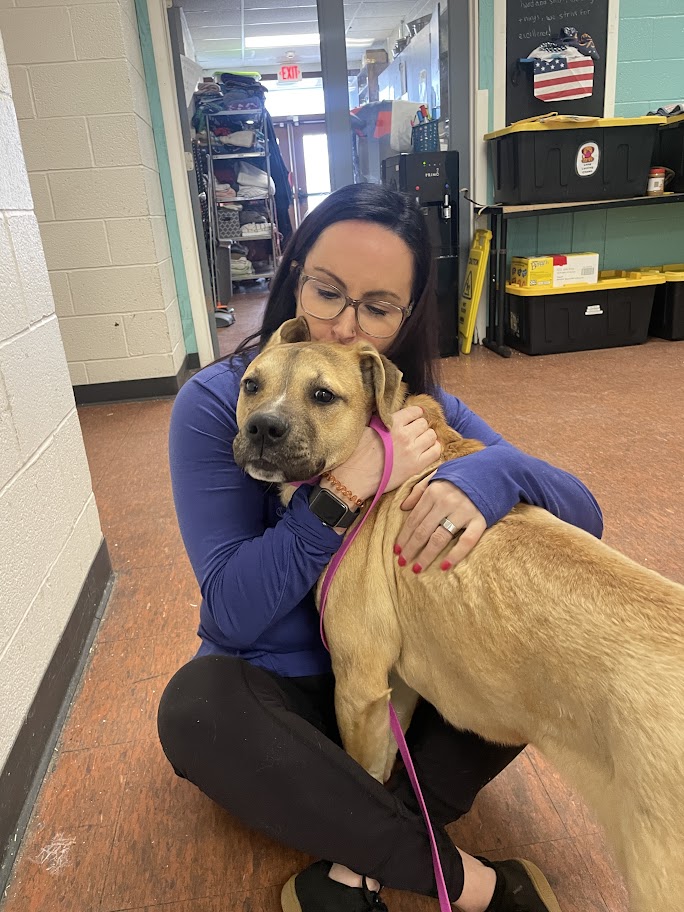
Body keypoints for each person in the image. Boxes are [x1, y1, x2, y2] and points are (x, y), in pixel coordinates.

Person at [158, 184, 604, 912]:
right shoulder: (219, 402)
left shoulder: (417, 407)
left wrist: (492, 473)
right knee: (195, 710)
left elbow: (583, 514)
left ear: (407, 314)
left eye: (377, 306)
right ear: (296, 273)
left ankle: (358, 851)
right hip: (286, 693)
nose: (341, 325)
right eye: (327, 290)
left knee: (552, 648)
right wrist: (343, 492)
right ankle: (469, 879)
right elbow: (232, 614)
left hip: (408, 684)